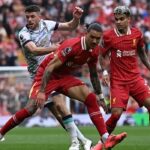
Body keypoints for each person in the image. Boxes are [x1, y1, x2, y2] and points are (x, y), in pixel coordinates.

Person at [0, 5, 92, 150]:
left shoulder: (47, 24)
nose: (29, 20)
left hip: (51, 71)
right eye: (27, 17)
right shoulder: (24, 33)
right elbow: (34, 50)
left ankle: (78, 142)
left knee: (59, 106)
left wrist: (76, 18)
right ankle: (83, 140)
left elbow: (69, 26)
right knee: (50, 111)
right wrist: (55, 48)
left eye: (32, 16)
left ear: (39, 16)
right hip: (38, 75)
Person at [27, 22, 127, 150]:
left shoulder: (94, 50)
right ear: (86, 34)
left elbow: (93, 74)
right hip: (48, 76)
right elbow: (50, 67)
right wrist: (41, 91)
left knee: (86, 100)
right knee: (30, 109)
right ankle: (2, 131)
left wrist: (100, 96)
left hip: (64, 78)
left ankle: (100, 139)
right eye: (93, 37)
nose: (95, 40)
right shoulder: (72, 45)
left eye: (98, 38)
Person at [99, 5, 150, 136]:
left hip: (135, 79)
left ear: (129, 19)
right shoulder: (109, 36)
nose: (118, 22)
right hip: (118, 81)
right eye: (116, 19)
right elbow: (101, 55)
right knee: (115, 115)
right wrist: (104, 71)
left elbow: (142, 53)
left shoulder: (137, 34)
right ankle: (102, 141)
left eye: (121, 19)